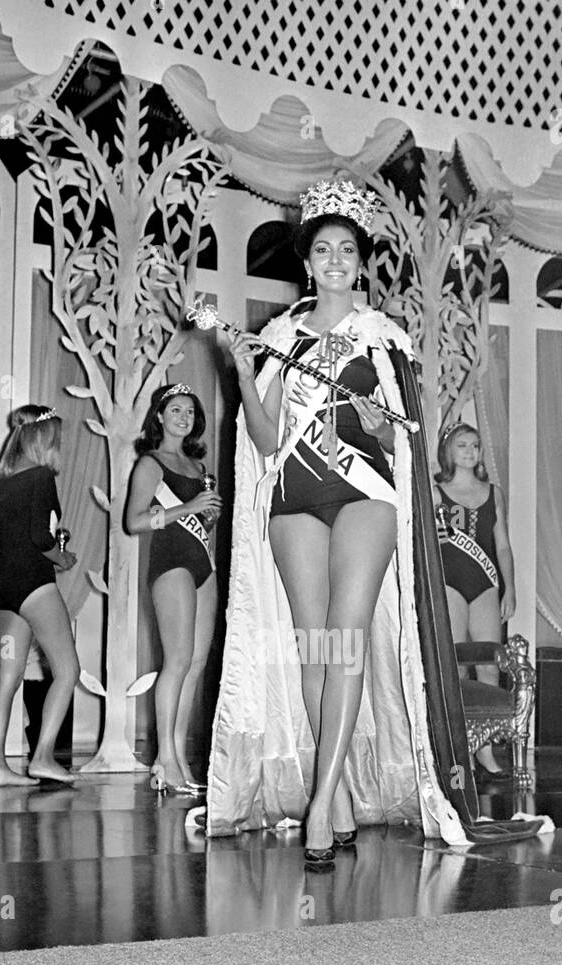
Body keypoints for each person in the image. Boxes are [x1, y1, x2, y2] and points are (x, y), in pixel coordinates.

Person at [209, 178, 493, 863]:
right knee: (318, 648)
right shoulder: (281, 337)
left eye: (348, 249)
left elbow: (404, 437)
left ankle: (321, 796)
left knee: (348, 639)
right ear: (308, 261)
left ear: (361, 262)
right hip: (296, 497)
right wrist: (244, 375)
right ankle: (331, 798)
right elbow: (268, 437)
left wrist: (378, 427)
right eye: (324, 248)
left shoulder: (384, 339)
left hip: (365, 494)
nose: (335, 258)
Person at [126, 383, 222, 793]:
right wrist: (187, 508)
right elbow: (134, 522)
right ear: (160, 417)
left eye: (190, 411)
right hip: (171, 564)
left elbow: (200, 520)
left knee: (197, 663)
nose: (184, 417)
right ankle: (164, 758)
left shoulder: (199, 468)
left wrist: (207, 514)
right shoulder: (150, 463)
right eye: (176, 410)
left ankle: (179, 757)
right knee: (177, 660)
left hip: (203, 562)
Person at [0, 405, 79, 785]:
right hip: (35, 586)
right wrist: (61, 558)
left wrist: (11, 551)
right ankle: (43, 757)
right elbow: (41, 537)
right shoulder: (40, 477)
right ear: (45, 439)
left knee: (7, 678)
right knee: (68, 671)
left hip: (4, 591)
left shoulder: (4, 483)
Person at [434, 422, 516, 778]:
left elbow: (503, 546)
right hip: (450, 584)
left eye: (475, 446)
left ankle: (484, 748)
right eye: (462, 445)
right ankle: (454, 748)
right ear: (449, 451)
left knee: (488, 666)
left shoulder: (494, 493)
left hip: (486, 585)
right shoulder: (435, 492)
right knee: (453, 666)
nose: (470, 452)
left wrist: (509, 589)